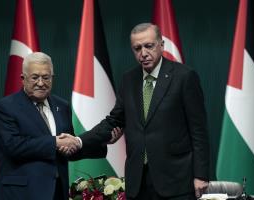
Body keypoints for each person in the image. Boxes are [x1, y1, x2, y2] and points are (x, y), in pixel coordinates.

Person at [79, 23, 210, 200]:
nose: (143, 53)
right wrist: (80, 140)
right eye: (137, 48)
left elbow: (199, 131)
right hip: (138, 182)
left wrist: (200, 176)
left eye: (149, 46)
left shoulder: (184, 77)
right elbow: (115, 120)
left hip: (176, 181)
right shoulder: (129, 79)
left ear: (161, 45)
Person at [0, 52, 119, 200]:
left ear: (52, 78)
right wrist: (55, 142)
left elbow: (67, 148)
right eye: (35, 77)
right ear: (23, 78)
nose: (40, 83)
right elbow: (14, 146)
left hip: (57, 191)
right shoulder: (6, 107)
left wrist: (100, 142)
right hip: (19, 194)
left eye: (46, 77)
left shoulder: (61, 106)